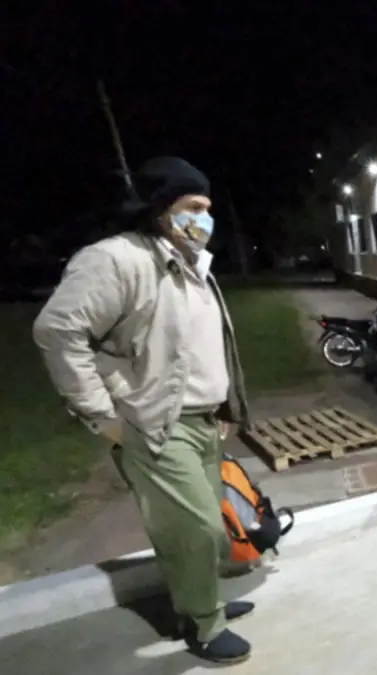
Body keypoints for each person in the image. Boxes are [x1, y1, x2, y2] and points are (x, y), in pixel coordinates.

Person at [32, 157, 253, 665]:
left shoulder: (193, 265)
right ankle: (203, 624)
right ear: (160, 208)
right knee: (197, 528)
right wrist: (102, 416)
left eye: (208, 209)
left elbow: (200, 343)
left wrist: (224, 405)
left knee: (196, 529)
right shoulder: (117, 260)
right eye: (193, 206)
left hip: (201, 421)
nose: (203, 218)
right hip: (154, 422)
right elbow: (59, 331)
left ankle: (199, 604)